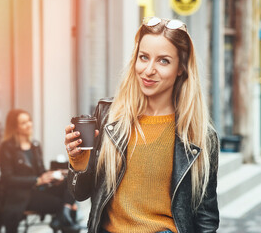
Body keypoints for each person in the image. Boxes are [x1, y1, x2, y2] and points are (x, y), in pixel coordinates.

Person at [64, 16, 219, 233]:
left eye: (163, 61)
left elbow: (206, 218)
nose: (148, 70)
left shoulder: (200, 135)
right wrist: (79, 163)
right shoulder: (109, 116)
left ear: (181, 68)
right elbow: (80, 193)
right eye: (143, 57)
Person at [0, 109, 81, 233]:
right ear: (15, 127)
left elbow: (40, 171)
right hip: (21, 195)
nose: (29, 124)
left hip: (39, 189)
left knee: (71, 183)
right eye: (23, 123)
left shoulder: (34, 145)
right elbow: (8, 179)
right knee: (63, 204)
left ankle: (63, 215)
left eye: (29, 121)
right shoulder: (7, 147)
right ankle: (64, 218)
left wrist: (52, 175)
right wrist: (37, 180)